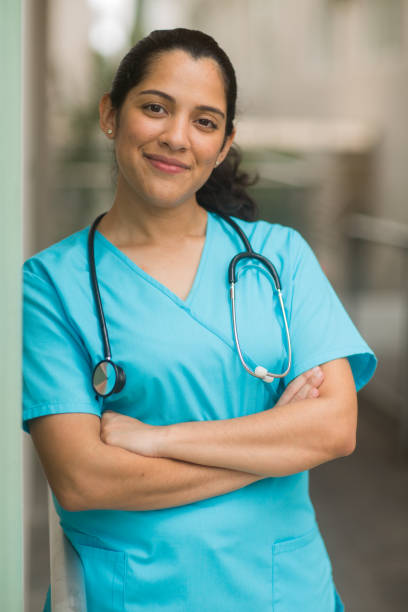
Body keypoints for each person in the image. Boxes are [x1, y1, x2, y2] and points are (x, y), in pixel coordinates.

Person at [23, 28, 376, 611]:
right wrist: (273, 452)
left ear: (224, 141)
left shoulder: (280, 257)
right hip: (130, 595)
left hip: (283, 593)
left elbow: (334, 429)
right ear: (111, 114)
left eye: (205, 121)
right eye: (156, 108)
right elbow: (85, 479)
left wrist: (156, 440)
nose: (176, 137)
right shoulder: (50, 284)